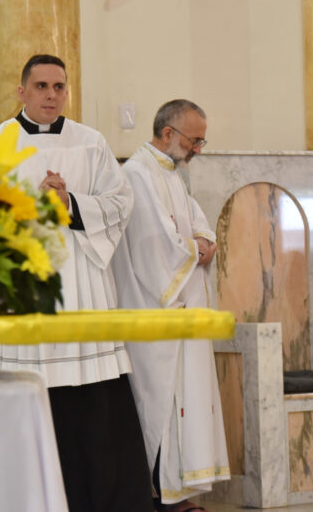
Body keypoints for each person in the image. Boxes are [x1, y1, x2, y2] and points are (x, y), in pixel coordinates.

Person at [0, 55, 150, 511]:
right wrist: (30, 205)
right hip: (25, 279)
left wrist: (70, 202)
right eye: (41, 86)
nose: (51, 95)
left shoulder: (90, 142)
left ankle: (97, 497)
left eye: (59, 86)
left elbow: (120, 204)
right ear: (21, 92)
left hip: (80, 280)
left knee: (91, 399)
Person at [111, 100, 230, 512]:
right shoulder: (137, 175)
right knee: (161, 402)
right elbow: (154, 245)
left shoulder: (175, 176)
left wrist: (205, 243)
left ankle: (182, 495)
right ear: (167, 134)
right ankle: (162, 496)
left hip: (183, 310)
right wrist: (194, 250)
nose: (198, 148)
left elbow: (198, 226)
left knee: (187, 402)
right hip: (157, 310)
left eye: (201, 140)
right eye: (194, 140)